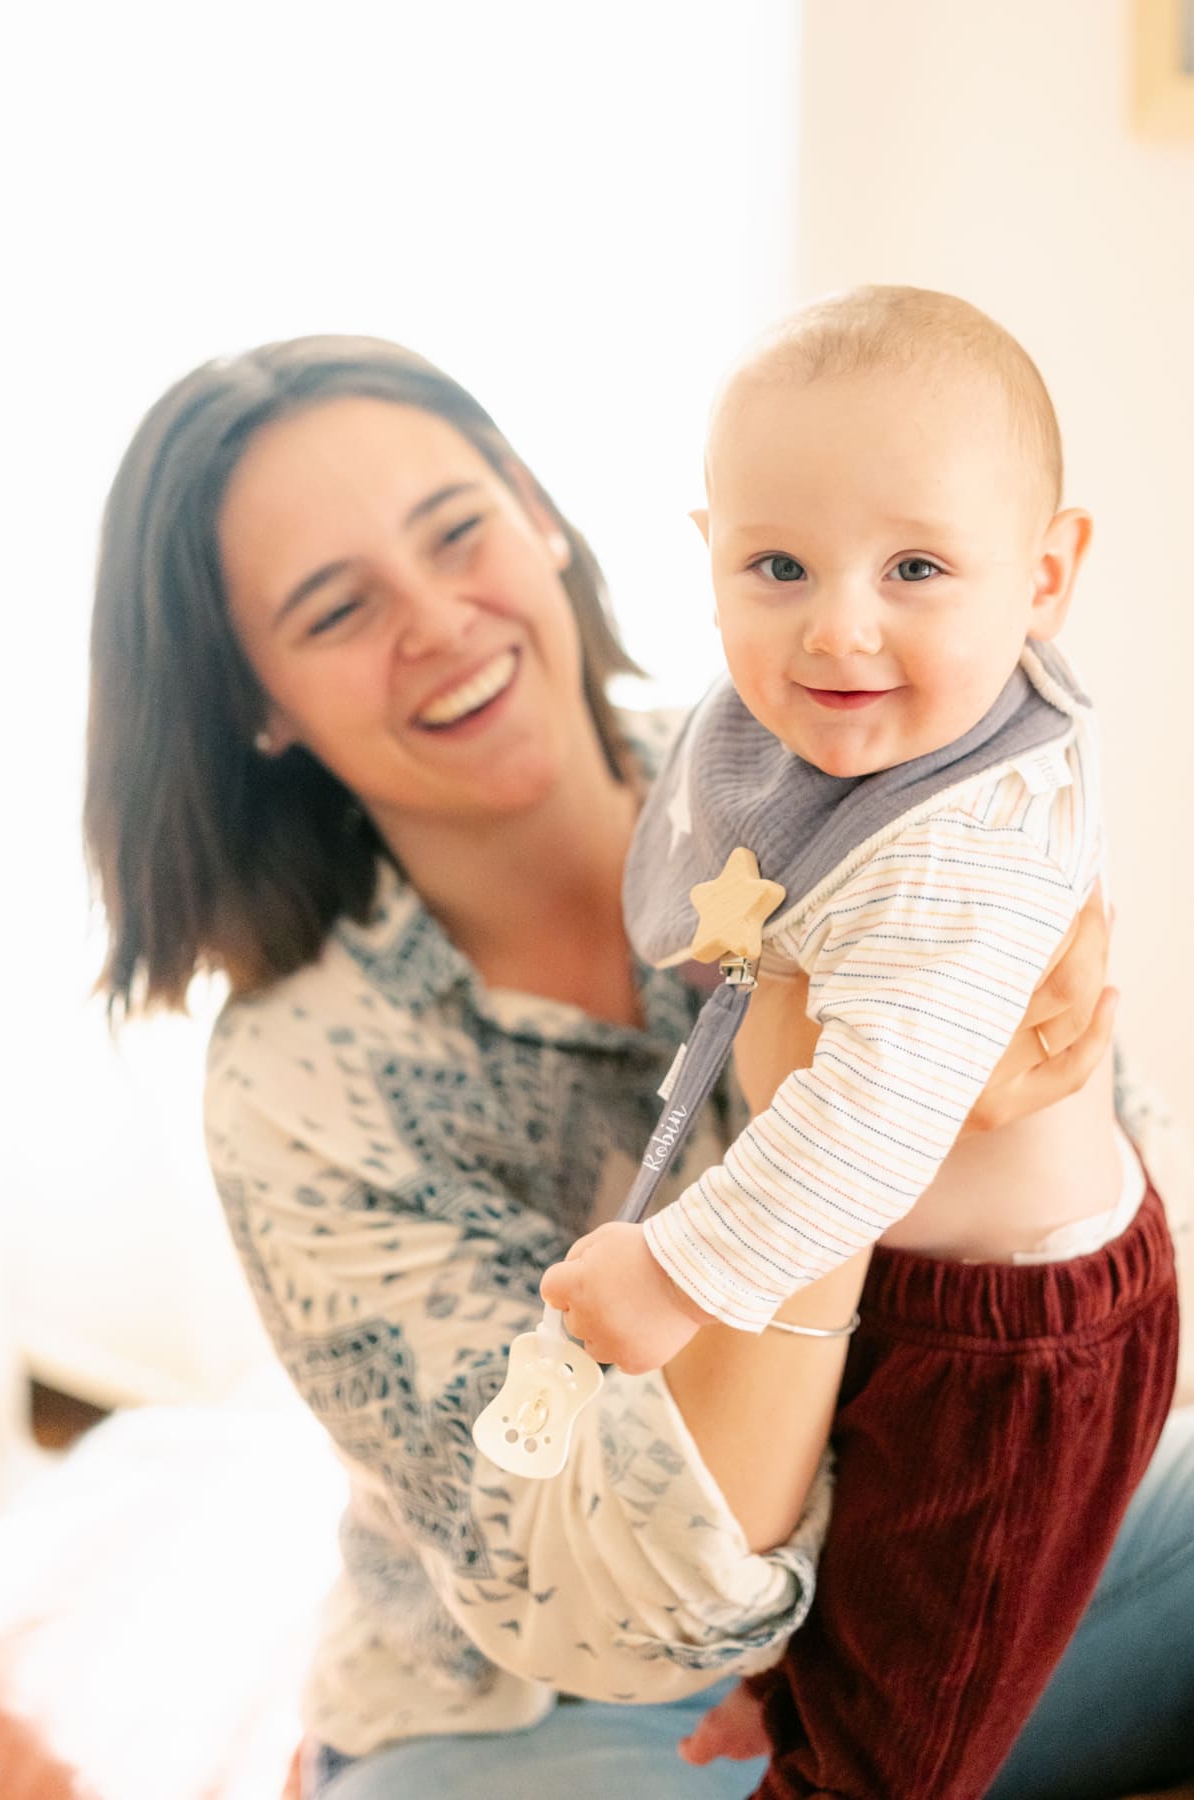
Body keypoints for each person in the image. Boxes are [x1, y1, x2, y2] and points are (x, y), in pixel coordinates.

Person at [81, 335, 1194, 1800]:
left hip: (973, 1525)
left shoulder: (845, 768)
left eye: (459, 532)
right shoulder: (299, 1083)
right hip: (586, 1702)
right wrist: (842, 1137)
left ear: (541, 515)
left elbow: (1097, 1224)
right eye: (340, 607)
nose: (437, 621)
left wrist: (1031, 1084)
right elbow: (627, 1612)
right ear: (256, 702)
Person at [542, 288, 1179, 1796]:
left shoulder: (964, 835)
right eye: (777, 564)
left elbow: (872, 1117)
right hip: (908, 1292)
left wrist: (680, 1265)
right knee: (865, 1579)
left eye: (914, 567)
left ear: (1044, 575)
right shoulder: (840, 726)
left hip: (1011, 1352)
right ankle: (798, 1703)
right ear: (709, 553)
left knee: (912, 1729)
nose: (839, 623)